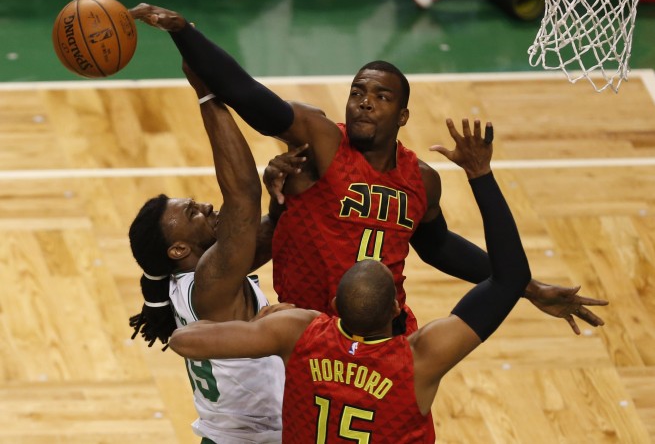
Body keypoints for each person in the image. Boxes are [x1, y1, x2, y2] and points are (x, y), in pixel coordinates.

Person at [128, 2, 608, 337]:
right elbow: (253, 99)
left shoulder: (422, 178)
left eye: (381, 97)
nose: (364, 103)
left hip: (385, 332)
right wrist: (185, 33)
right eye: (358, 91)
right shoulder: (319, 138)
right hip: (305, 328)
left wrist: (526, 287)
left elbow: (438, 246)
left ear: (402, 116)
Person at [167, 119, 532, 443]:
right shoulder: (420, 361)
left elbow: (183, 340)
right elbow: (510, 278)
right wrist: (480, 173)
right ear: (395, 308)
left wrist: (265, 322)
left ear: (336, 308)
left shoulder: (299, 334)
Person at [128, 61, 292, 444]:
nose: (207, 208)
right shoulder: (210, 282)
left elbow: (264, 233)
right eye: (193, 213)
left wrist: (280, 201)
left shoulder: (208, 274)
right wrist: (209, 96)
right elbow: (242, 197)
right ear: (179, 248)